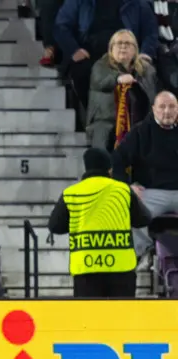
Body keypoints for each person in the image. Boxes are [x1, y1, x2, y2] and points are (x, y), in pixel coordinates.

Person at [48, 148, 151, 297]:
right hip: (121, 269)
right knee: (120, 319)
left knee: (90, 319)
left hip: (86, 270)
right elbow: (144, 219)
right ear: (109, 169)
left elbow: (55, 226)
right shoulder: (122, 191)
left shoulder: (71, 193)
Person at [112, 91, 178, 269]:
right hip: (151, 192)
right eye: (162, 107)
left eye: (172, 107)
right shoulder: (141, 132)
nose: (167, 111)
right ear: (154, 109)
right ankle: (143, 252)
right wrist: (128, 186)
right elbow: (118, 159)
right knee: (131, 210)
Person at [86, 29, 157, 147]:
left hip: (138, 121)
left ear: (135, 50)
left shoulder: (147, 70)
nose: (123, 47)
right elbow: (99, 81)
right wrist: (118, 79)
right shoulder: (101, 65)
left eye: (127, 44)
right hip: (105, 120)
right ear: (111, 48)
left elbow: (152, 95)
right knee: (102, 139)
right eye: (119, 43)